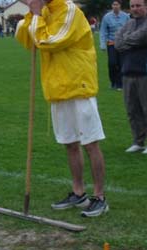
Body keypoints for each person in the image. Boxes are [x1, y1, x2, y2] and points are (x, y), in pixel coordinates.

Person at [16, 0, 108, 217]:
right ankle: (78, 192)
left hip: (79, 86)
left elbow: (48, 41)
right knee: (70, 143)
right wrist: (33, 12)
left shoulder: (69, 10)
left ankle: (100, 196)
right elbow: (25, 37)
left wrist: (37, 16)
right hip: (57, 88)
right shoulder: (45, 11)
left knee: (90, 143)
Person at [115, 0, 147, 155]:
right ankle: (138, 141)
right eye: (133, 6)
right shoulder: (129, 23)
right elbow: (117, 43)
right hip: (128, 72)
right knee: (132, 110)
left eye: (138, 5)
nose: (135, 9)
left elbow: (141, 36)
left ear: (146, 6)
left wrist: (127, 39)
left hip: (145, 73)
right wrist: (130, 40)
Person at [99, 1, 130, 90]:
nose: (115, 6)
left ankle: (120, 84)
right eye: (114, 4)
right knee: (112, 63)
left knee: (122, 63)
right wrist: (102, 44)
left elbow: (129, 29)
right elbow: (103, 31)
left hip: (123, 44)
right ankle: (113, 82)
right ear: (112, 6)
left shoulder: (126, 17)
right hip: (111, 43)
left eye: (117, 4)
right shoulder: (107, 17)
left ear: (120, 6)